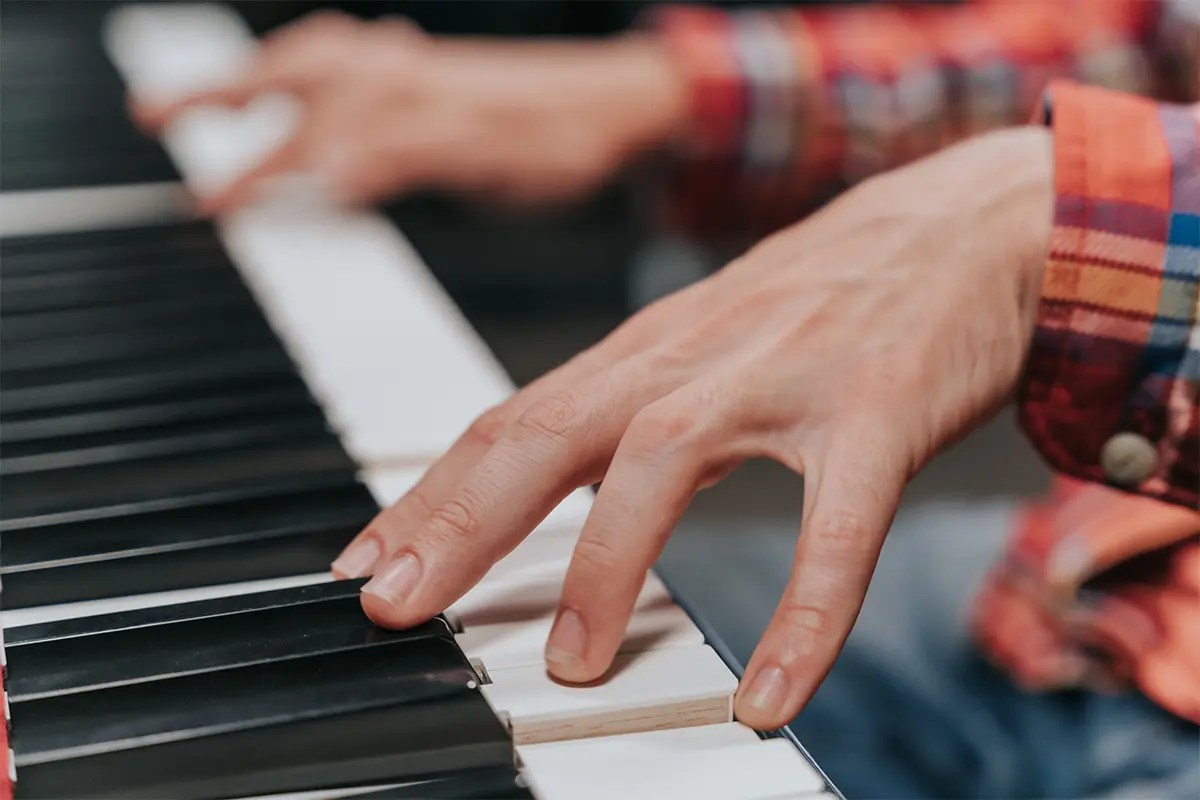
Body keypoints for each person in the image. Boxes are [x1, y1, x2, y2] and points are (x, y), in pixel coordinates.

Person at [139, 1, 1199, 796]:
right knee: (393, 654)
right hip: (1085, 594)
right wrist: (653, 91)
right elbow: (1160, 43)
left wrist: (1061, 221)